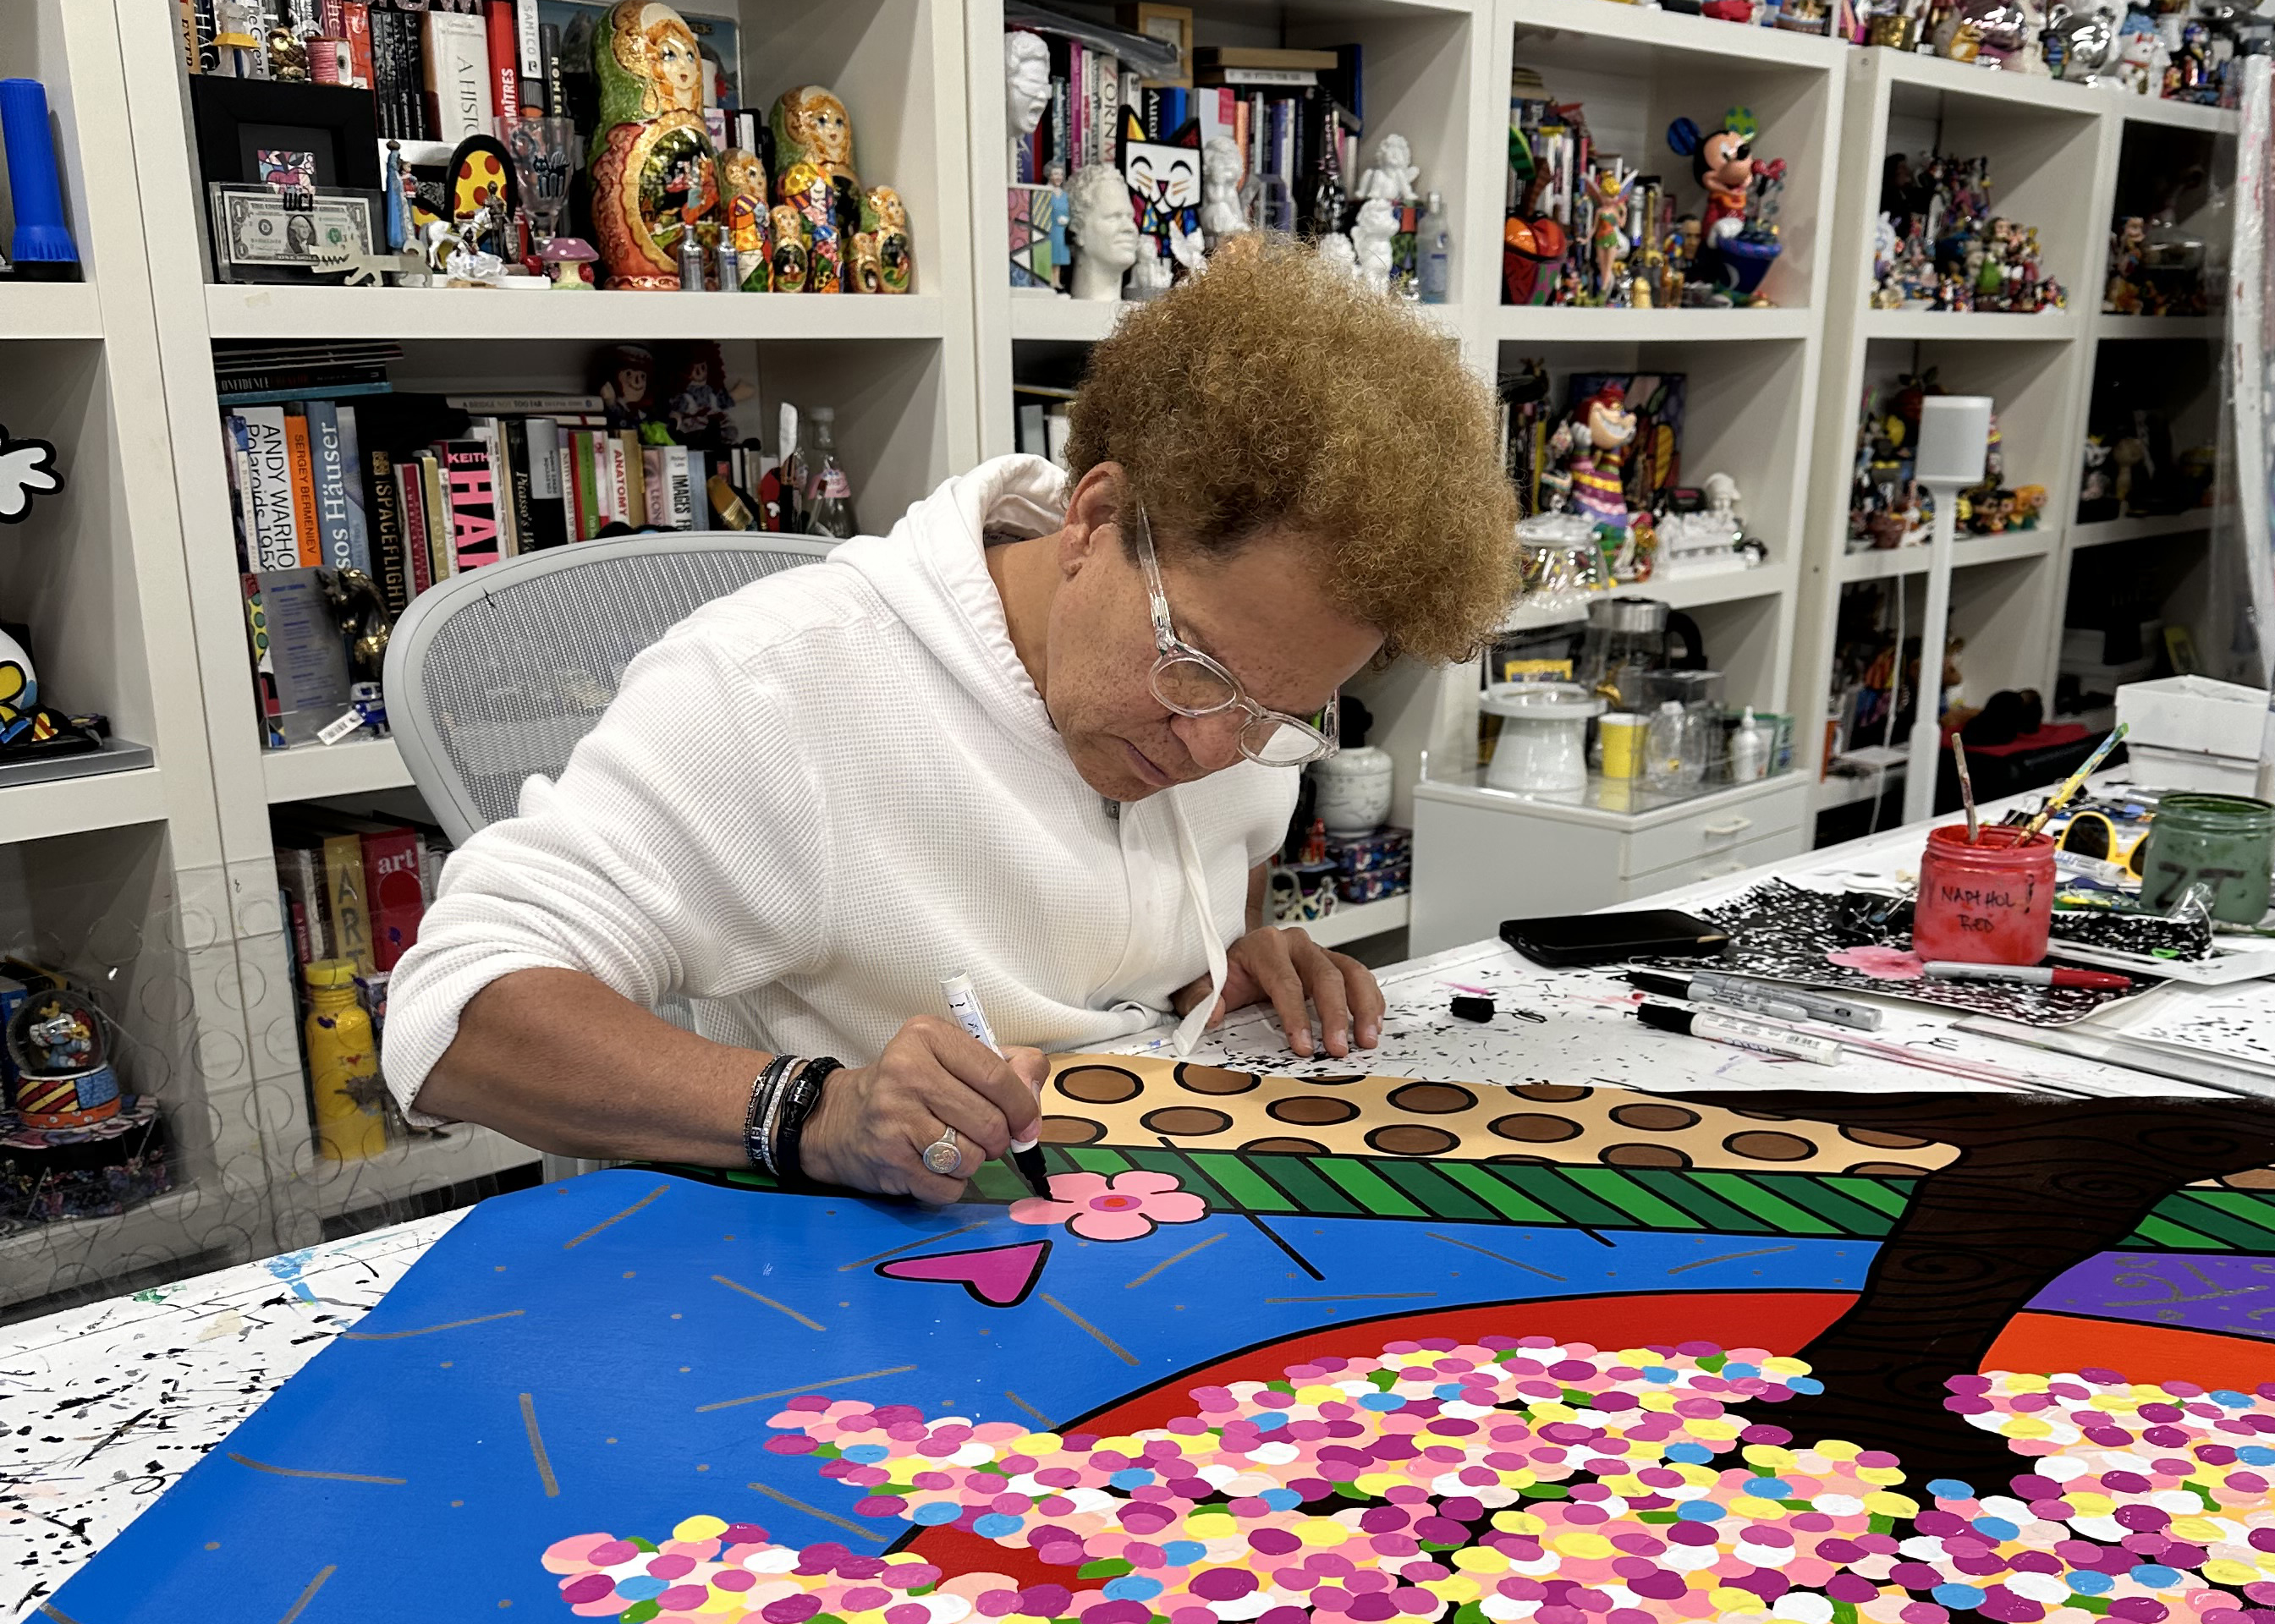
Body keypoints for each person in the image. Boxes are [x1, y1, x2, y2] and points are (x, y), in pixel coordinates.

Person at [384, 247, 1518, 1204]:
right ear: (1097, 519)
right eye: (1195, 673)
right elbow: (450, 1023)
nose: (1215, 751)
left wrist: (1217, 969)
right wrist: (817, 1112)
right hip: (871, 1288)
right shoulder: (777, 686)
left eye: (1277, 712)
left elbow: (1157, 892)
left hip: (1146, 1202)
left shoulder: (1228, 701)